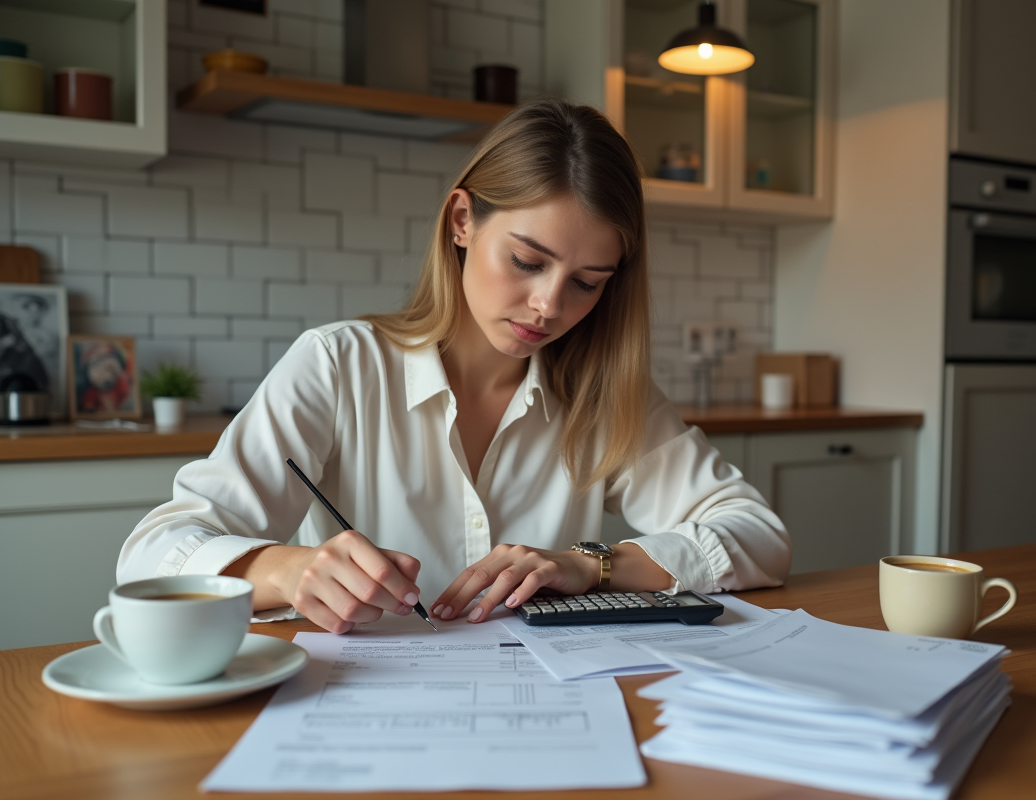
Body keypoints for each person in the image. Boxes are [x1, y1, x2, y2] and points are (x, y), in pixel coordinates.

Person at [118, 98, 790, 633]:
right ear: (462, 220)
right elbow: (152, 554)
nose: (548, 305)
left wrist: (597, 566)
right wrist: (288, 569)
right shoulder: (338, 365)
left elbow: (758, 536)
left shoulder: (604, 391)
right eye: (527, 261)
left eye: (587, 282)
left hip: (547, 703)